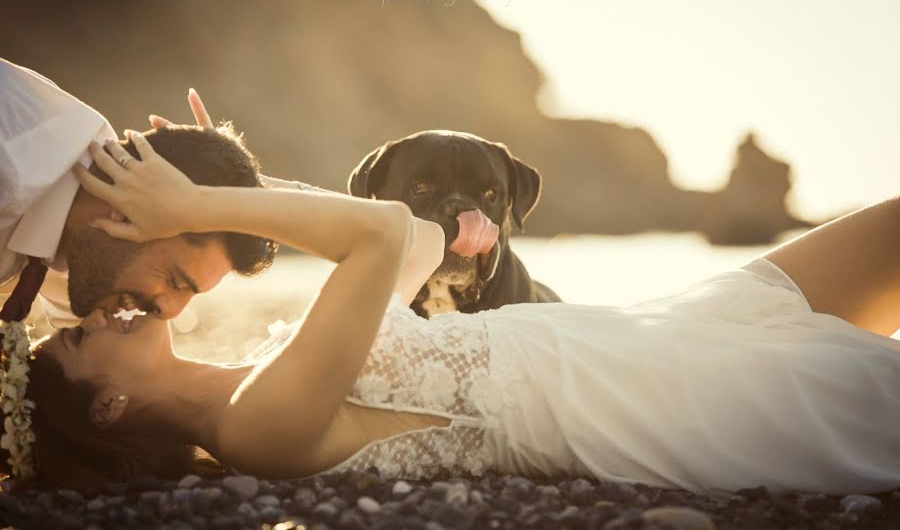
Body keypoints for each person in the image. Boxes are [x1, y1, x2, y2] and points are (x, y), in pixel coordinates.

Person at [2, 129, 899, 495]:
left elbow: (410, 241)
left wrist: (217, 188)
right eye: (80, 342)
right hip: (652, 395)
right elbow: (387, 235)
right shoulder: (255, 430)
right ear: (109, 407)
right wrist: (199, 205)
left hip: (644, 332)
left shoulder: (267, 367)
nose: (102, 315)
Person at [0, 59, 276, 328]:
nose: (169, 312)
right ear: (131, 205)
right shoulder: (10, 164)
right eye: (176, 281)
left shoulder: (84, 241)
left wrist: (231, 187)